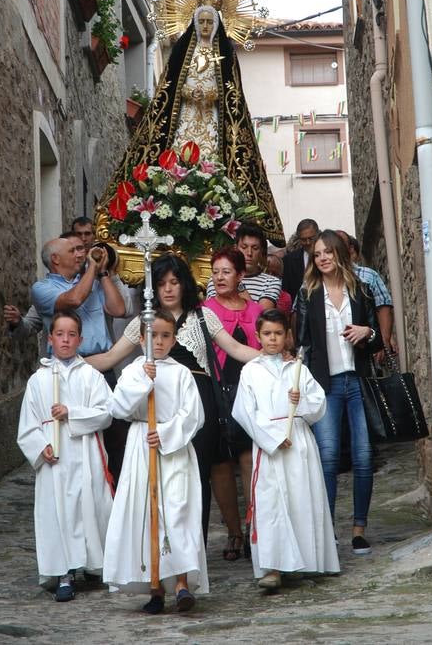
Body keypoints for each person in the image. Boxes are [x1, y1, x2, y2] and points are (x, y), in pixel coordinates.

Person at [85, 253, 260, 541]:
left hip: (199, 403)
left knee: (198, 473)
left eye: (174, 282)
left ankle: (195, 549)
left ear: (185, 285)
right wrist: (67, 363)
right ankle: (161, 547)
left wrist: (274, 357)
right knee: (162, 472)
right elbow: (109, 358)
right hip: (158, 402)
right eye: (162, 282)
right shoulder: (145, 321)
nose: (168, 289)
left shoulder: (203, 316)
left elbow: (236, 349)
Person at [96, 3, 284, 247]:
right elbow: (170, 87)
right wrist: (187, 92)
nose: (205, 26)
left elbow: (231, 92)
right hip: (184, 116)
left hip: (212, 121)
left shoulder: (225, 54)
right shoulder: (184, 52)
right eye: (202, 22)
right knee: (177, 157)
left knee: (211, 159)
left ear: (216, 25)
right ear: (195, 24)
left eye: (209, 22)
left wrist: (210, 95)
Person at [103, 310, 207, 614]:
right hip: (140, 448)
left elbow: (193, 415)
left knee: (177, 511)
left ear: (174, 339)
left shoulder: (181, 374)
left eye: (164, 336)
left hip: (173, 451)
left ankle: (182, 583)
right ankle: (155, 586)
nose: (158, 342)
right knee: (148, 514)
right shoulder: (134, 371)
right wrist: (142, 383)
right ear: (140, 339)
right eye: (152, 335)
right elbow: (117, 407)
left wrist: (164, 432)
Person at [232, 309, 339, 589]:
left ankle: (302, 561)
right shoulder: (250, 371)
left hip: (298, 442)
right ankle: (273, 567)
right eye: (267, 333)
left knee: (301, 501)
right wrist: (273, 438)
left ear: (287, 336)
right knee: (271, 505)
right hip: (270, 446)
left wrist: (300, 400)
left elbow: (319, 405)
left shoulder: (298, 370)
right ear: (258, 336)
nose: (273, 339)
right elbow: (244, 412)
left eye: (278, 333)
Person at [17, 310, 114, 603]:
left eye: (72, 335)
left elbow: (107, 412)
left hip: (85, 453)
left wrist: (72, 413)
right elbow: (28, 422)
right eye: (60, 334)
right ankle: (64, 572)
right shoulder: (39, 380)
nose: (65, 340)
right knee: (58, 512)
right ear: (50, 338)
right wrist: (39, 447)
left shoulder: (92, 377)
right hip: (54, 458)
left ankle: (93, 563)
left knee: (89, 508)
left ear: (80, 339)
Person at [295, 230, 381, 555]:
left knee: (363, 456)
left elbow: (377, 339)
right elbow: (302, 342)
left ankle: (359, 529)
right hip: (325, 385)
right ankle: (326, 529)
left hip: (356, 381)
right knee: (328, 457)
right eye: (317, 255)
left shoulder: (360, 289)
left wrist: (367, 331)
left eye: (327, 252)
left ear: (339, 254)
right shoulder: (307, 293)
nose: (322, 258)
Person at [203, 246, 263, 560]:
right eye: (216, 272)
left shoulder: (255, 311)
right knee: (220, 465)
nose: (220, 277)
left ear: (240, 275)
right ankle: (233, 532)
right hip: (216, 391)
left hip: (249, 392)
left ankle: (254, 526)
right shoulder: (205, 309)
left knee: (248, 459)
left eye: (227, 271)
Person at [31, 237, 125, 353]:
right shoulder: (41, 288)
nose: (79, 255)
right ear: (55, 259)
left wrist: (103, 273)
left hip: (102, 363)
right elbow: (74, 300)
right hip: (65, 364)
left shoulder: (93, 283)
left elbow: (119, 311)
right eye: (72, 251)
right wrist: (92, 267)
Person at [335, 230, 394, 350]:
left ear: (350, 249)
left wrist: (384, 341)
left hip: (365, 342)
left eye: (341, 246)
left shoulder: (367, 276)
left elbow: (383, 306)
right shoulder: (316, 281)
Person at [205, 223, 282, 307]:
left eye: (255, 248)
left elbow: (261, 317)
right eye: (244, 247)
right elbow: (212, 311)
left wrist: (238, 284)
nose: (249, 253)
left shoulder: (271, 282)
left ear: (261, 251)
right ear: (236, 248)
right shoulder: (217, 279)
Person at [282, 218, 320, 303]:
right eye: (303, 239)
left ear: (318, 235)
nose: (308, 242)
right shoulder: (289, 260)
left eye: (311, 238)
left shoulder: (327, 257)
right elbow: (286, 290)